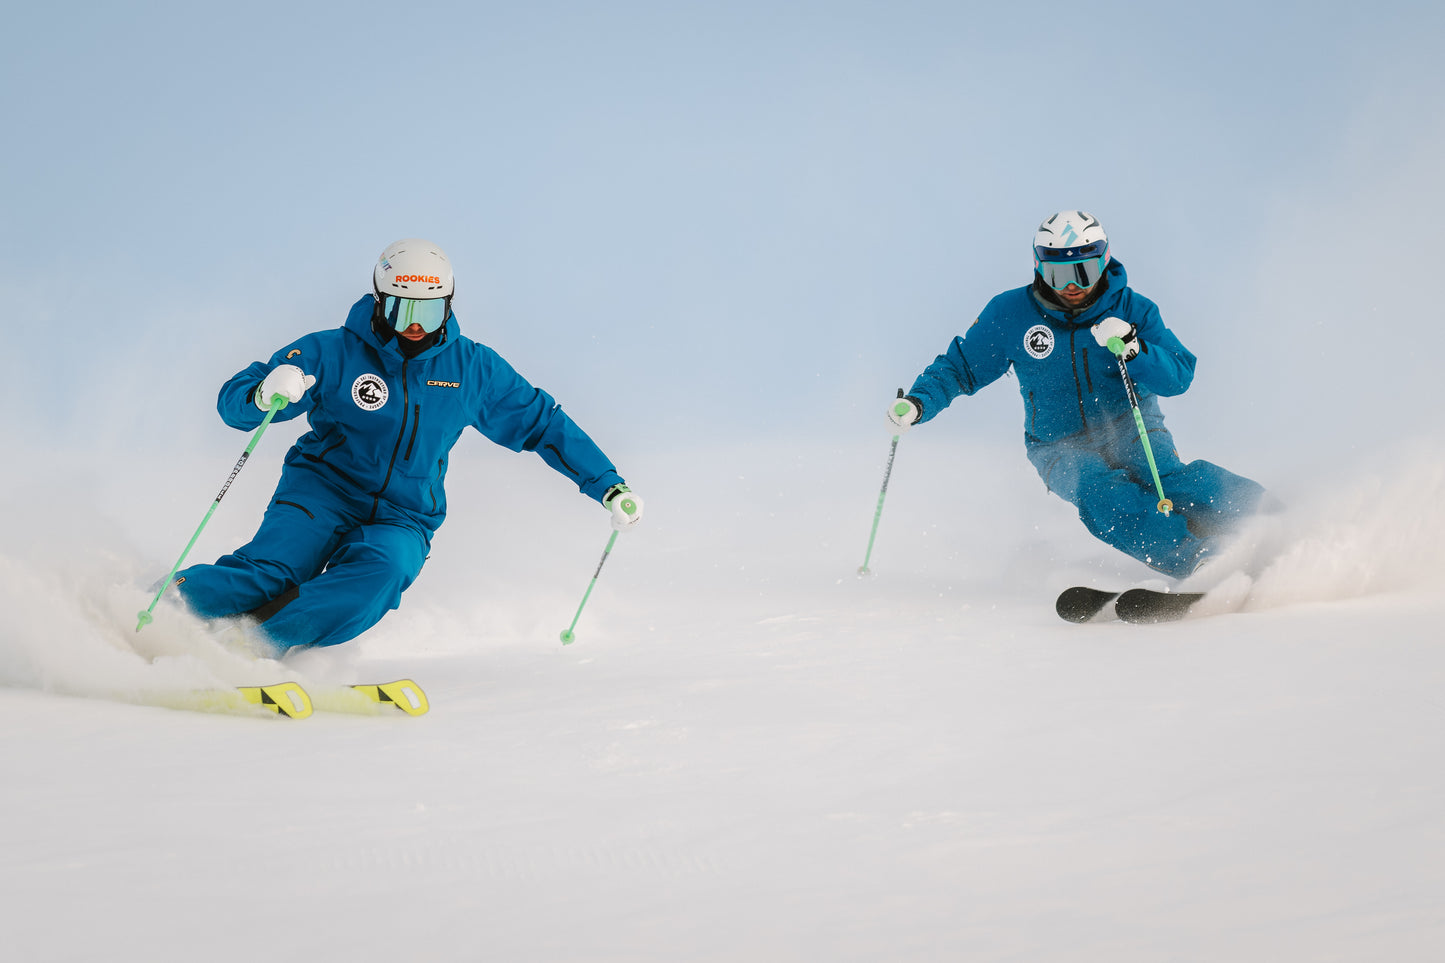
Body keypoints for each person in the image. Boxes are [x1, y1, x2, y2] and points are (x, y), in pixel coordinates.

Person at [171, 238, 643, 653]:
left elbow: (543, 424)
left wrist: (608, 485)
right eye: (402, 310)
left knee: (383, 573)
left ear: (448, 305)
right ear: (380, 302)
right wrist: (263, 392)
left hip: (405, 513)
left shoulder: (472, 369)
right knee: (272, 572)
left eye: (429, 311)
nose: (415, 326)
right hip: (321, 494)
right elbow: (235, 405)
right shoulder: (332, 351)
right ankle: (158, 605)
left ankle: (252, 646)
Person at [886, 210, 1266, 580]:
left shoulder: (1133, 309)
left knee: (1167, 481)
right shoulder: (1010, 314)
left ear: (1103, 261)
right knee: (1100, 494)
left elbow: (1178, 377)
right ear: (1039, 267)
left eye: (1083, 271)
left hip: (1130, 425)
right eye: (1058, 274)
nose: (1072, 285)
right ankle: (1197, 559)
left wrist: (1135, 349)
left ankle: (1267, 519)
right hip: (1057, 443)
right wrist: (918, 402)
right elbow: (960, 368)